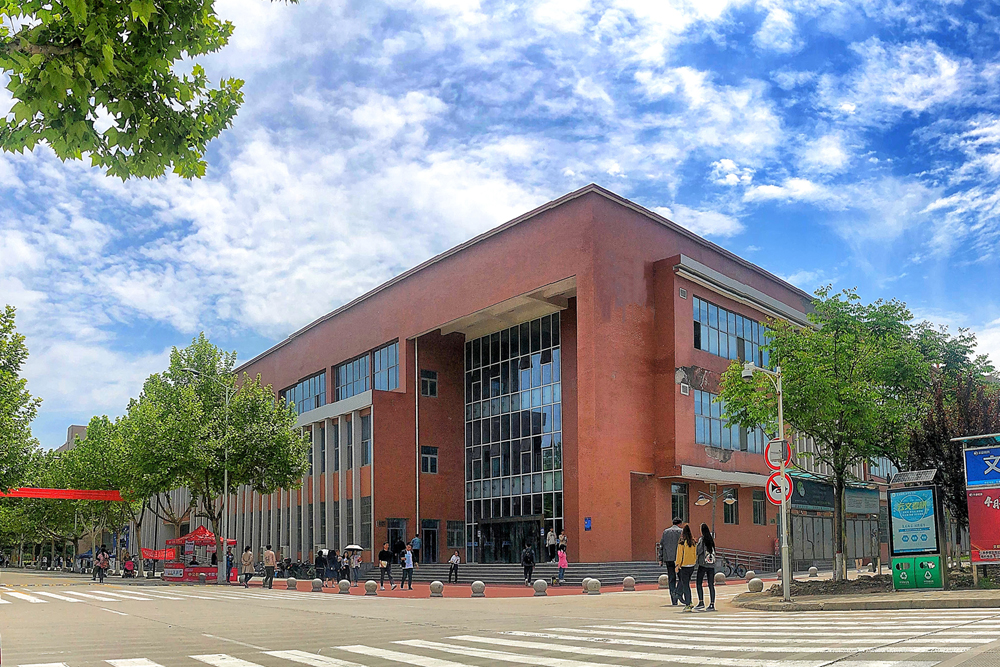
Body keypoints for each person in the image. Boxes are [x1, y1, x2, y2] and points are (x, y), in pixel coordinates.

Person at [694, 523, 718, 612]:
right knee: (711, 584)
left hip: (703, 564)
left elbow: (699, 551)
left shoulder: (702, 539)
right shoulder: (711, 540)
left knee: (699, 583)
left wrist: (696, 544)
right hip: (711, 565)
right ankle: (712, 603)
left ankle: (701, 602)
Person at [660, 518, 683, 605]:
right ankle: (678, 592)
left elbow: (661, 545)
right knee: (682, 578)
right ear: (680, 524)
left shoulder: (665, 532)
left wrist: (661, 558)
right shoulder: (681, 531)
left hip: (668, 558)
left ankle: (673, 598)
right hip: (678, 558)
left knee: (671, 578)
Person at [675, 524, 698, 611]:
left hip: (684, 566)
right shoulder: (693, 543)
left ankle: (688, 603)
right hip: (691, 565)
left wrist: (677, 565)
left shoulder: (682, 543)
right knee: (686, 583)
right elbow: (695, 554)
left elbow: (679, 555)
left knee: (685, 586)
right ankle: (689, 601)